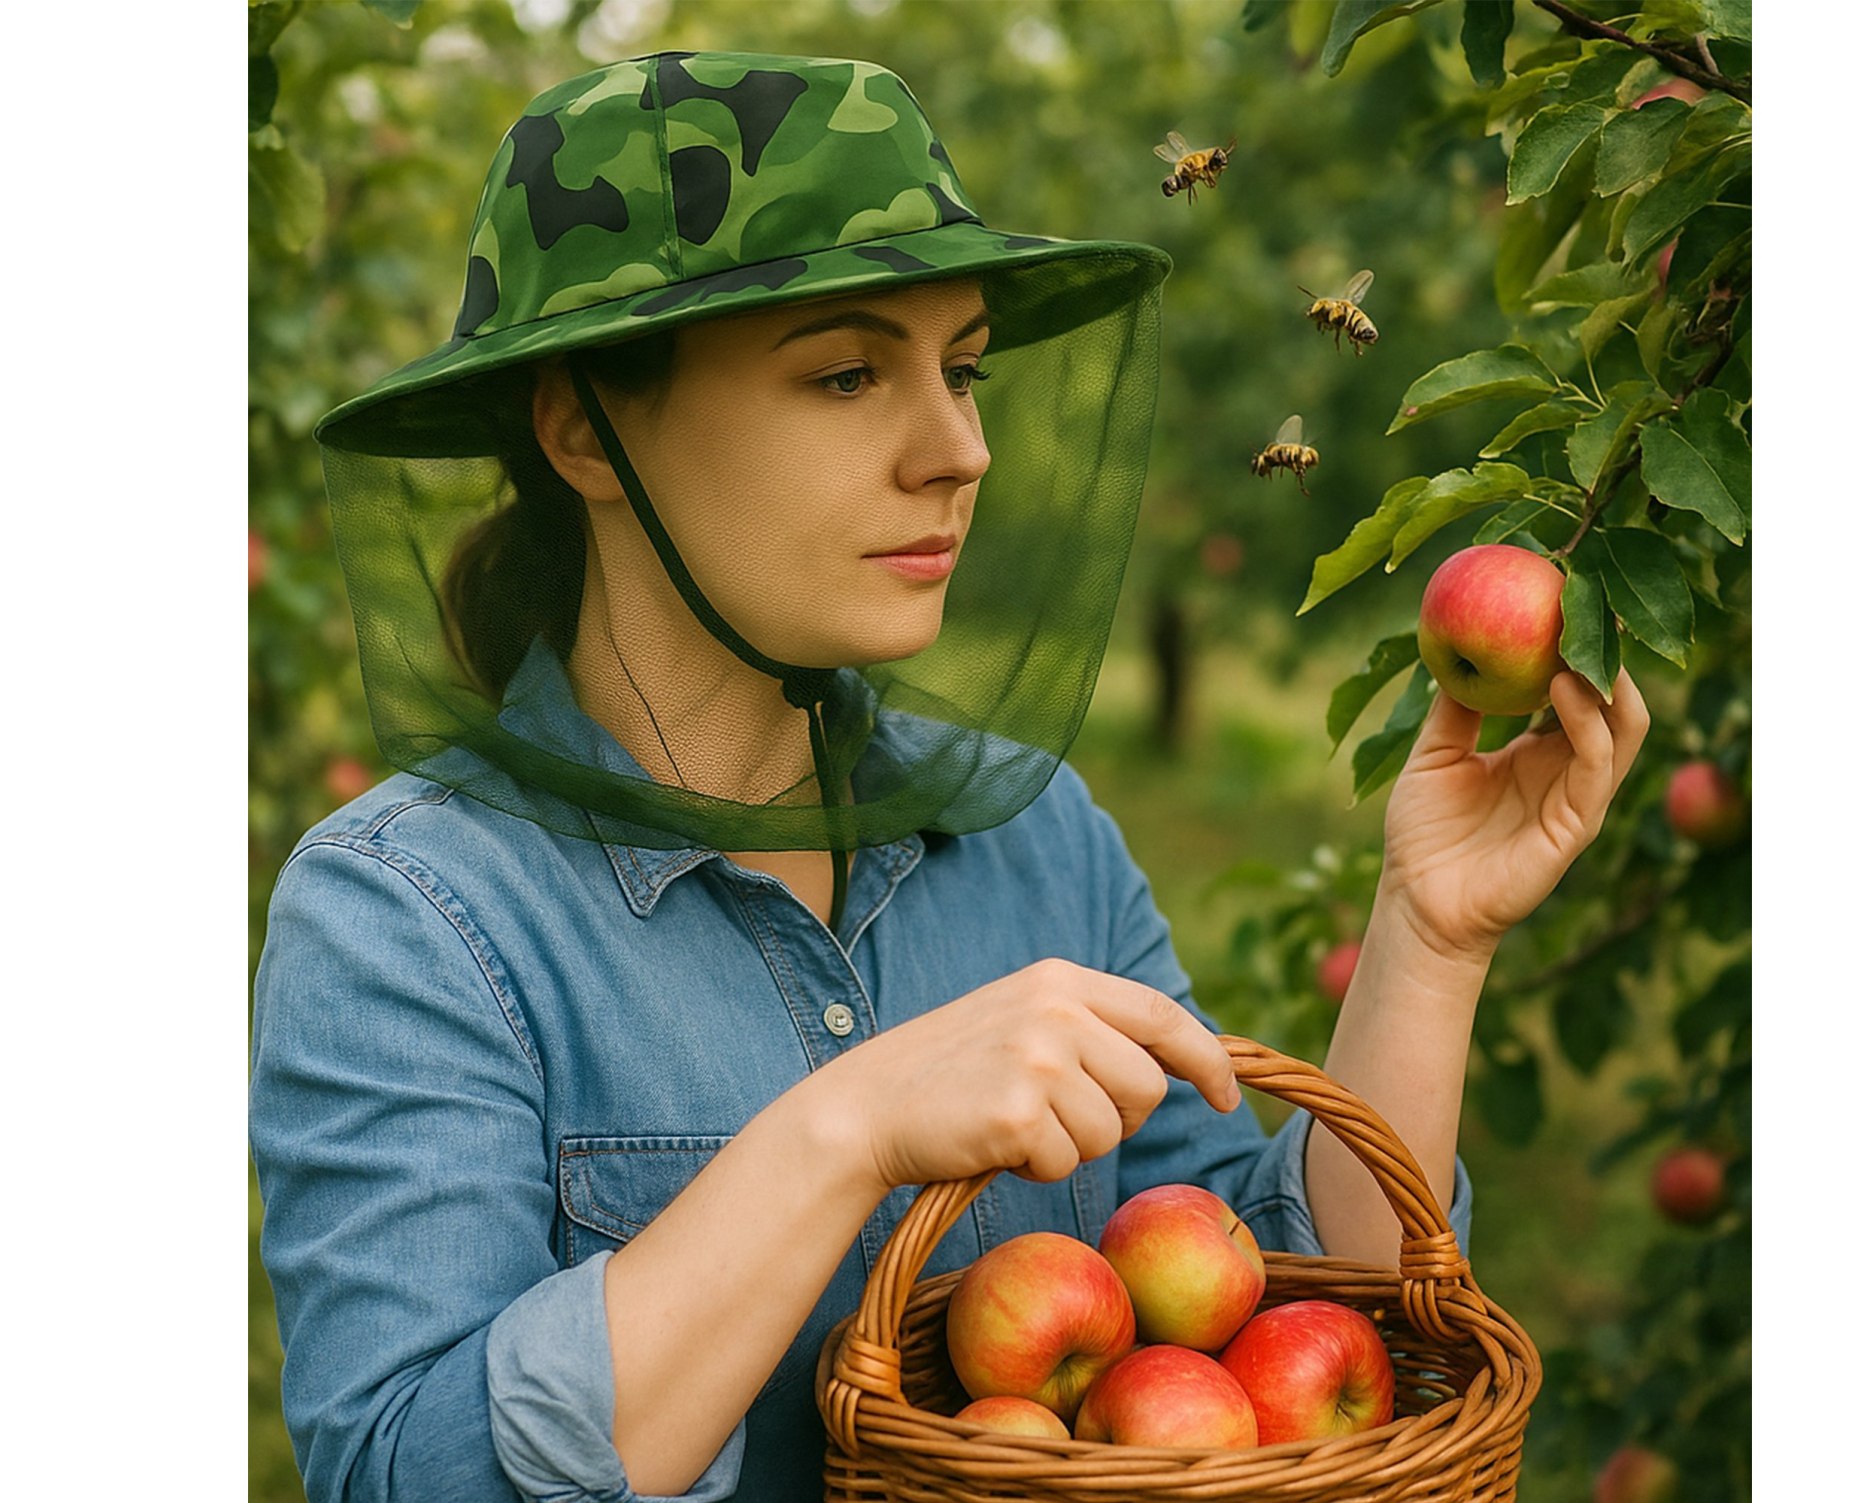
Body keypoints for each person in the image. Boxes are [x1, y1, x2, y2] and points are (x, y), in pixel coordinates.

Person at [250, 49, 1649, 1503]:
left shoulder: (1031, 836)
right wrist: (845, 1130)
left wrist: (1428, 937)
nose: (959, 448)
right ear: (582, 429)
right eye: (850, 374)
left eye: (963, 368)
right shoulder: (410, 916)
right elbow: (417, 1473)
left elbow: (1284, 1323)